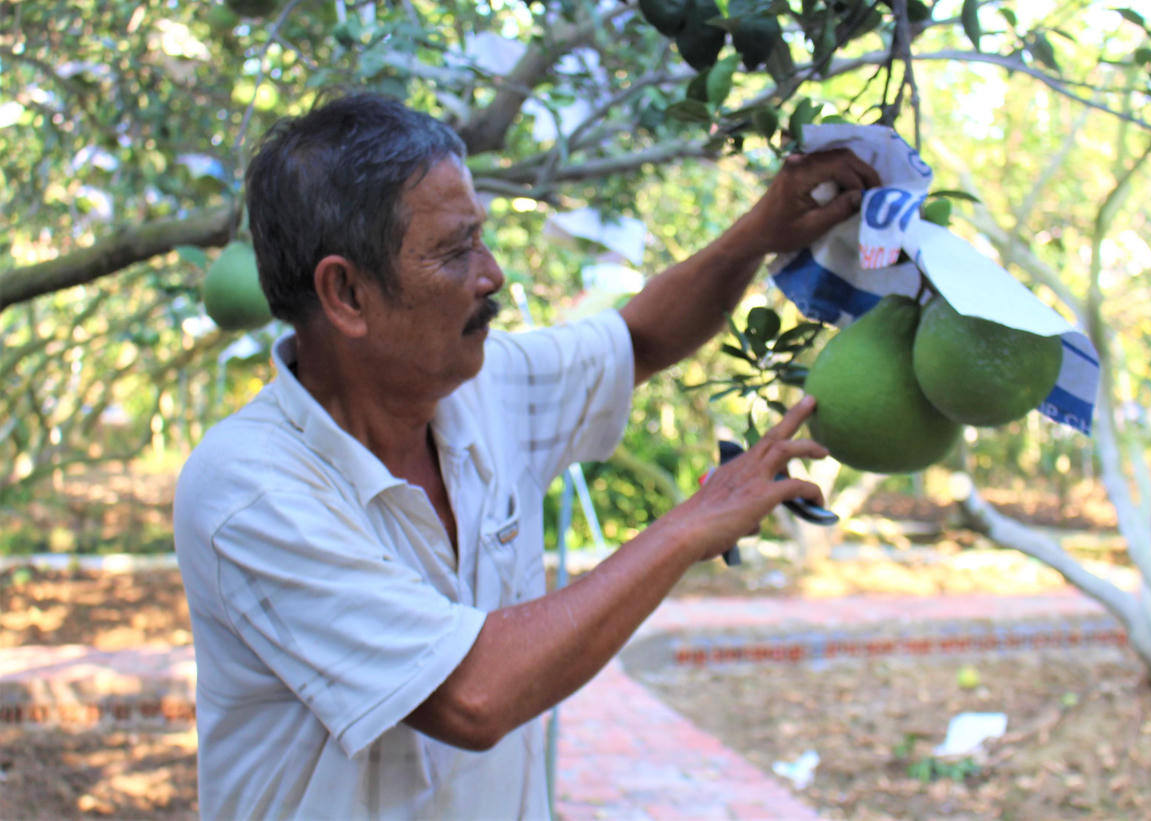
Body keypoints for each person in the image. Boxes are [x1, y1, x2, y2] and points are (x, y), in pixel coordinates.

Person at [173, 90, 879, 820]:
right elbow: (473, 694)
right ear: (346, 292)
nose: (492, 275)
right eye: (455, 250)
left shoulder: (483, 387)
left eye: (480, 238)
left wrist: (764, 229)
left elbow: (638, 340)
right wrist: (692, 524)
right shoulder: (249, 490)